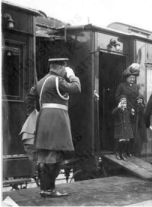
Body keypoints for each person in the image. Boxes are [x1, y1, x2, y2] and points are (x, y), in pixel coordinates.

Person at [25, 58, 81, 198]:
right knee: (54, 155)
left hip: (43, 119)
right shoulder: (57, 80)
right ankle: (49, 190)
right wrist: (72, 75)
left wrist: (33, 114)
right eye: (65, 68)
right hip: (57, 120)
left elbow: (29, 98)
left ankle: (44, 189)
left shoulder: (41, 81)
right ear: (61, 68)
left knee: (44, 155)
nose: (65, 71)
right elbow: (76, 88)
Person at [115, 63, 144, 157]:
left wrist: (139, 100)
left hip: (134, 111)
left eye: (133, 77)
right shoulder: (122, 86)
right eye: (130, 77)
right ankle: (122, 151)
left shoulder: (136, 87)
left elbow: (138, 96)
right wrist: (123, 100)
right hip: (125, 111)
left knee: (133, 133)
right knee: (124, 133)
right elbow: (117, 97)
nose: (132, 79)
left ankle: (131, 151)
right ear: (126, 77)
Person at [112, 95, 135, 161]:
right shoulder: (117, 110)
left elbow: (132, 119)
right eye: (123, 103)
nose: (124, 104)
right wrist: (118, 107)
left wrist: (133, 114)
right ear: (120, 103)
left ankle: (122, 153)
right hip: (120, 127)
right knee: (120, 141)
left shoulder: (127, 111)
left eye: (125, 103)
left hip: (127, 128)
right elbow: (113, 113)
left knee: (126, 141)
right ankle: (117, 153)